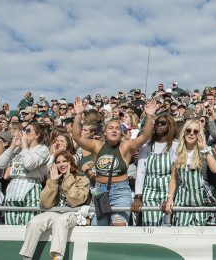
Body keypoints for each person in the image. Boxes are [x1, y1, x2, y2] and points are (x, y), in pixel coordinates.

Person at [71, 97, 157, 226]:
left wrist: (150, 117)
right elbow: (77, 136)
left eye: (117, 128)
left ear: (121, 133)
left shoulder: (126, 147)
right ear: (105, 133)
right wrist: (78, 115)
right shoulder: (96, 145)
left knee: (118, 228)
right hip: (100, 192)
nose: (114, 130)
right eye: (110, 128)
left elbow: (145, 136)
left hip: (120, 192)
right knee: (99, 230)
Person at [19, 151, 90, 260]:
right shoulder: (54, 177)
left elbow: (75, 201)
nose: (61, 164)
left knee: (61, 220)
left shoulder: (81, 177)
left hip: (75, 213)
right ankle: (26, 257)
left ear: (71, 162)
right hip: (56, 212)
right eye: (58, 162)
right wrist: (52, 181)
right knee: (34, 221)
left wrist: (68, 178)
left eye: (64, 161)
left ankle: (57, 257)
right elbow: (45, 203)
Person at [162, 119, 216, 226]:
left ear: (200, 135)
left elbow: (215, 169)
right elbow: (173, 179)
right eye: (188, 130)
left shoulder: (204, 151)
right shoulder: (178, 152)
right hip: (183, 200)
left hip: (201, 200)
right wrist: (169, 198)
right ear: (184, 132)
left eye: (196, 131)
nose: (191, 133)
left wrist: (204, 149)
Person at [0, 122, 50, 225]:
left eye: (28, 130)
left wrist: (24, 144)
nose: (24, 133)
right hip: (13, 188)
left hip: (31, 186)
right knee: (11, 225)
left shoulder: (43, 149)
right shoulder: (17, 149)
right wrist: (12, 146)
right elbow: (0, 164)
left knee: (28, 224)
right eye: (24, 130)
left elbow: (29, 164)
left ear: (37, 134)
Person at [132, 114, 179, 226]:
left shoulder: (176, 145)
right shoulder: (147, 146)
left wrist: (170, 197)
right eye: (157, 123)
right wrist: (138, 196)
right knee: (149, 225)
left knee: (167, 225)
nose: (159, 125)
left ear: (170, 126)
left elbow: (175, 175)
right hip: (149, 191)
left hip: (168, 190)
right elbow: (141, 172)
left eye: (163, 123)